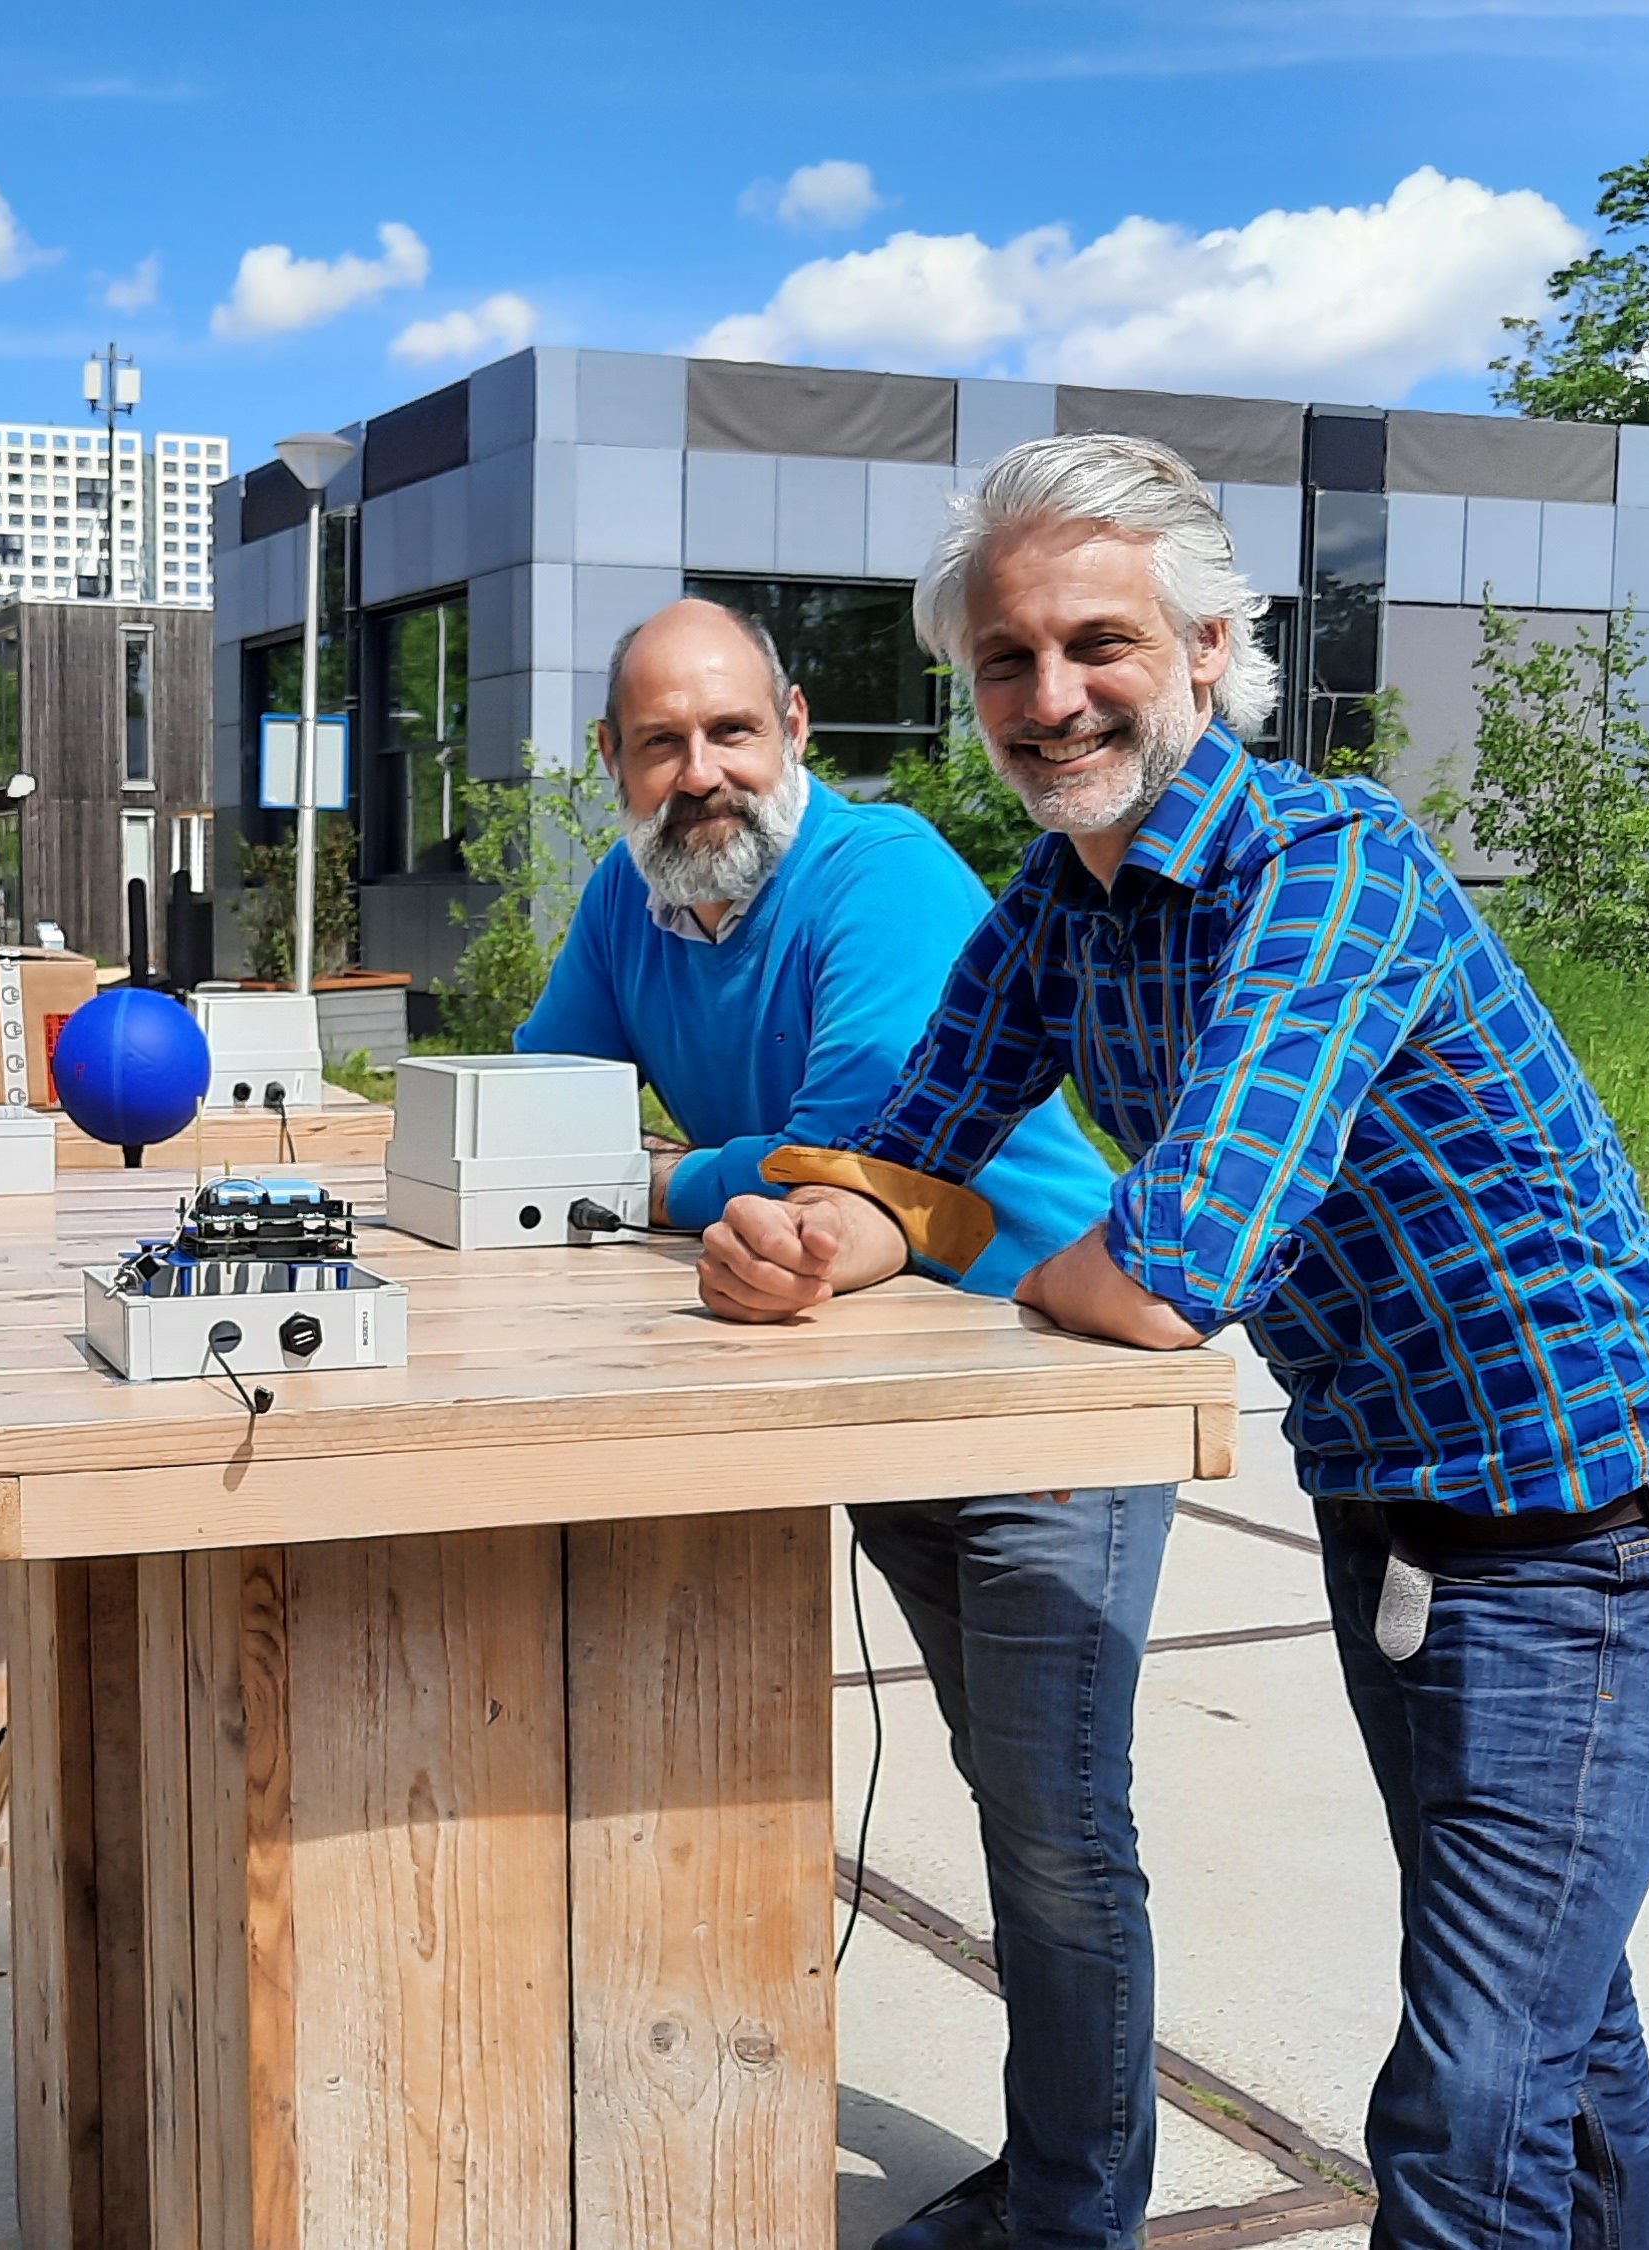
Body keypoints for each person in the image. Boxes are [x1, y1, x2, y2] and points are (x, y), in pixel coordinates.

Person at [697, 432, 1649, 2250]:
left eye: (1097, 642)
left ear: (1208, 645)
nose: (1052, 697)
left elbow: (1178, 1263)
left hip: (1587, 1535)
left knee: (1466, 2106)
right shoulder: (1052, 908)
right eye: (1007, 660)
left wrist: (1001, 1258)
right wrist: (809, 1240)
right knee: (1559, 2049)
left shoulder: (1331, 867)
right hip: (1395, 1505)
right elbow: (920, 1162)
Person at [512, 595, 1166, 2250]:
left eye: (733, 732)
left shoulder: (874, 877)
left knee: (1054, 1831)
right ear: (613, 762)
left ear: (797, 728)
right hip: (865, 1391)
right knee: (999, 1789)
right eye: (661, 741)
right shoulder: (629, 897)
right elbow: (528, 1122)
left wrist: (652, 1180)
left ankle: (1075, 2214)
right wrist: (637, 1177)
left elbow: (858, 1149)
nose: (701, 772)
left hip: (1039, 1390)